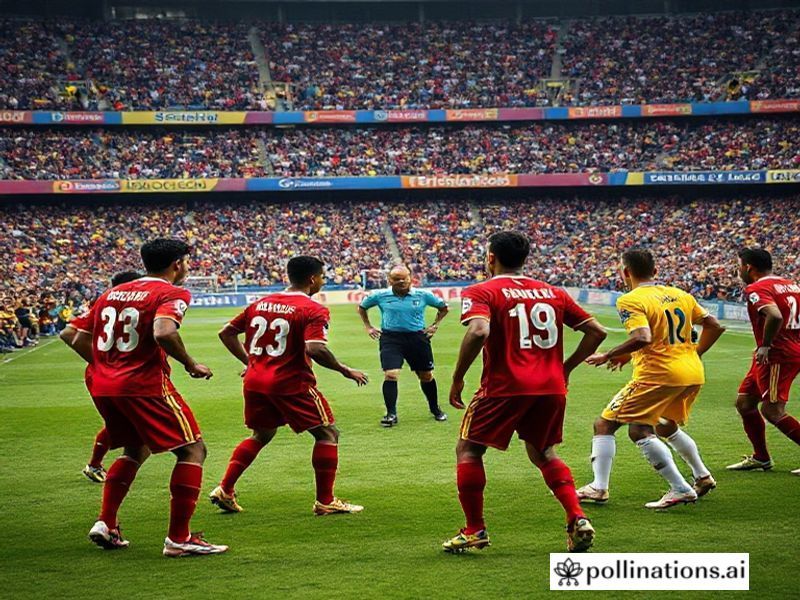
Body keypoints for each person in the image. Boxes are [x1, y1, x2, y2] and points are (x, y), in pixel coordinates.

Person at [444, 231, 607, 553]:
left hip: (504, 388)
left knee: (469, 451)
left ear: (490, 258)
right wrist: (566, 367)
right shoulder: (553, 292)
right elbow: (596, 332)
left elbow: (478, 330)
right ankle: (576, 515)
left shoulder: (481, 291)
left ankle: (475, 529)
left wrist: (458, 377)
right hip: (550, 388)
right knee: (544, 452)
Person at [68, 239, 227, 557]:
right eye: (186, 262)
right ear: (177, 264)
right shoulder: (172, 292)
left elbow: (71, 334)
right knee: (193, 449)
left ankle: (106, 523)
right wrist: (190, 364)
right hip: (144, 385)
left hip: (105, 386)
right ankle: (179, 539)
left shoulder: (112, 293)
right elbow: (164, 332)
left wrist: (105, 364)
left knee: (135, 449)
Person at [210, 256, 369, 515]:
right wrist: (344, 369)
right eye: (323, 277)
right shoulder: (313, 309)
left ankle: (225, 489)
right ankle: (325, 501)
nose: (323, 282)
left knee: (261, 435)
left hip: (255, 382)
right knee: (328, 434)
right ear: (312, 279)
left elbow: (226, 332)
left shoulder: (261, 302)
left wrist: (250, 361)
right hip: (291, 383)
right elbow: (315, 348)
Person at [580, 249, 725, 509]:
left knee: (608, 425)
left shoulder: (630, 300)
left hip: (658, 376)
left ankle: (602, 487)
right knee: (665, 426)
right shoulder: (681, 294)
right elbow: (715, 325)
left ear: (625, 272)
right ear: (655, 272)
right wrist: (693, 354)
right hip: (691, 373)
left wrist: (608, 355)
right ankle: (702, 476)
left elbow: (643, 337)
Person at [60, 270, 142, 483]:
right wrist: (103, 363)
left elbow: (70, 333)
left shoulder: (106, 303)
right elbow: (68, 334)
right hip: (117, 373)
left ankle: (95, 464)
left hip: (110, 373)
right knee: (127, 425)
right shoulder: (116, 304)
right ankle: (99, 466)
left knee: (120, 422)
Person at [727, 248, 800, 474]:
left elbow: (775, 314)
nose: (738, 271)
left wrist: (766, 345)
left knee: (772, 411)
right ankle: (761, 457)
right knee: (745, 403)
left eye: (739, 266)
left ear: (749, 268)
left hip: (776, 355)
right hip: (777, 353)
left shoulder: (756, 288)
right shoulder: (792, 285)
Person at [358, 265, 449, 427]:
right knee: (391, 374)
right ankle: (391, 414)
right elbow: (362, 307)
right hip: (391, 339)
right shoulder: (380, 295)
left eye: (404, 278)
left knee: (426, 376)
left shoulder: (423, 295)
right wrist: (368, 326)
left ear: (411, 278)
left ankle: (435, 409)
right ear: (389, 280)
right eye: (396, 279)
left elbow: (443, 308)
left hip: (417, 338)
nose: (401, 281)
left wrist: (435, 325)